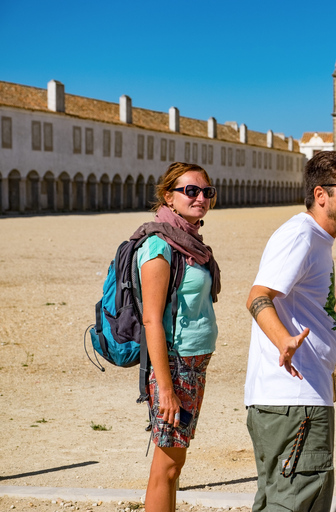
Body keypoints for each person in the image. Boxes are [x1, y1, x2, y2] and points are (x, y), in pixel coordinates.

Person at [244, 151, 336, 512]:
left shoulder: (315, 238)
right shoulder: (300, 236)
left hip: (292, 401)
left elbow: (295, 302)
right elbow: (258, 296)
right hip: (294, 399)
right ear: (321, 195)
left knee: (282, 501)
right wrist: (283, 341)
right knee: (299, 501)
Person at [138, 162, 221, 512]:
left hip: (193, 365)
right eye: (191, 190)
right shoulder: (160, 246)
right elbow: (151, 320)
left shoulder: (189, 242)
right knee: (167, 466)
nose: (200, 197)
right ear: (169, 197)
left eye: (207, 191)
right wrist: (167, 389)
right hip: (175, 366)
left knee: (174, 465)